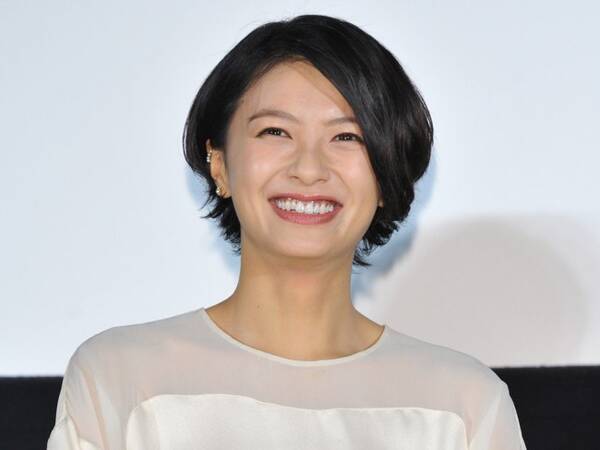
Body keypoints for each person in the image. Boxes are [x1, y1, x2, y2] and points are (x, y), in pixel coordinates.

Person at [47, 14, 527, 450]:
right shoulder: (121, 381)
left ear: (385, 176)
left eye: (347, 137)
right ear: (220, 164)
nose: (309, 168)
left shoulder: (461, 406)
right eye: (275, 132)